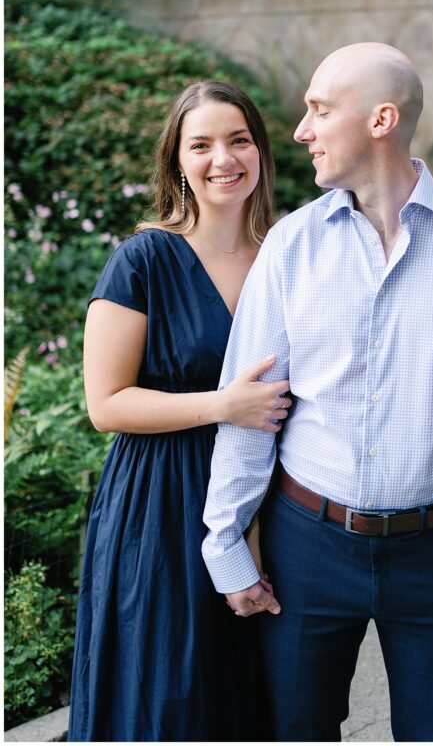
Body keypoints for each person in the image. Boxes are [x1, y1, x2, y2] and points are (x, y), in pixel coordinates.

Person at [202, 44, 433, 742]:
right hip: (306, 548)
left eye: (320, 110)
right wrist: (226, 545)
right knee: (298, 731)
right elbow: (250, 409)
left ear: (382, 120)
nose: (300, 130)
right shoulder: (291, 247)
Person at [68, 80, 289, 742]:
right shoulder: (143, 261)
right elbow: (105, 403)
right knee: (165, 694)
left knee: (250, 696)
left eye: (238, 140)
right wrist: (226, 405)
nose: (223, 158)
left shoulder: (287, 257)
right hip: (160, 505)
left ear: (259, 153)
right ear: (177, 163)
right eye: (202, 145)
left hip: (268, 502)